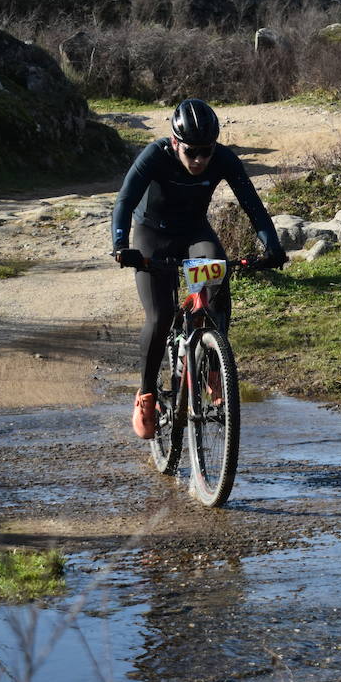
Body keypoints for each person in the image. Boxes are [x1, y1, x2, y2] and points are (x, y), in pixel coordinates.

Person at [110, 98, 287, 439]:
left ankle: (213, 366)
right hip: (152, 235)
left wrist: (273, 247)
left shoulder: (222, 159)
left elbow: (252, 203)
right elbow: (124, 200)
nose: (199, 160)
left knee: (217, 275)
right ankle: (146, 395)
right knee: (160, 316)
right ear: (175, 143)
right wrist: (121, 246)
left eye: (206, 152)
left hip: (193, 233)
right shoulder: (155, 155)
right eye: (191, 152)